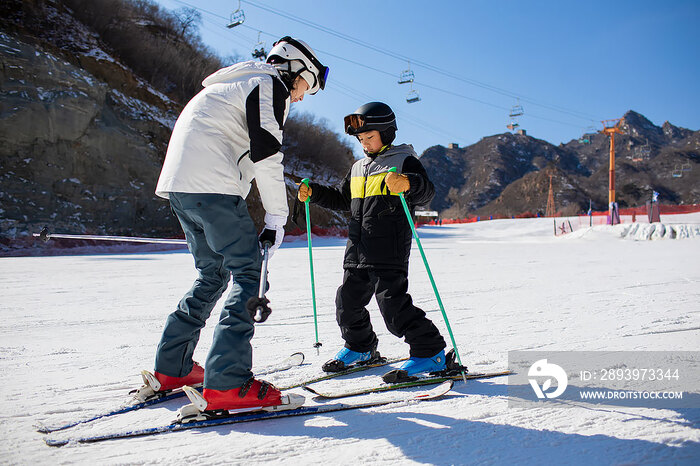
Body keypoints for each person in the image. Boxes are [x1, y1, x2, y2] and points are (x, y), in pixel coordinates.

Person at [137, 37, 329, 412]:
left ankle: (172, 369)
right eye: (307, 86)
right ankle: (228, 383)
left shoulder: (228, 85)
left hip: (180, 188)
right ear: (294, 69)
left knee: (212, 274)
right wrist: (276, 218)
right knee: (249, 274)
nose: (303, 97)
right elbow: (268, 156)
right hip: (212, 187)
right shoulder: (267, 84)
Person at [297, 102, 448, 382]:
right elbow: (342, 199)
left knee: (393, 306)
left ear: (387, 133)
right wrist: (314, 192)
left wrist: (408, 184)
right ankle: (361, 347)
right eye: (361, 139)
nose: (365, 144)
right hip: (357, 248)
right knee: (347, 302)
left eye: (370, 137)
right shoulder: (358, 168)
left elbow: (426, 191)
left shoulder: (404, 161)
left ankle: (431, 351)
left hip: (388, 247)